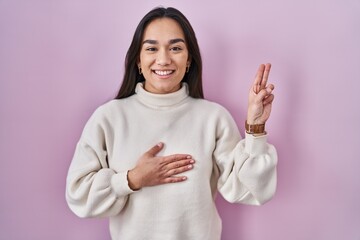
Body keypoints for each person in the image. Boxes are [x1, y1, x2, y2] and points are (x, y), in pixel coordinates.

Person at [66, 6, 277, 240]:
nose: (164, 59)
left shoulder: (213, 118)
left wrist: (255, 128)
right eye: (152, 48)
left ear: (188, 60)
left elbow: (250, 190)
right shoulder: (109, 118)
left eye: (175, 48)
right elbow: (78, 195)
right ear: (138, 59)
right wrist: (132, 179)